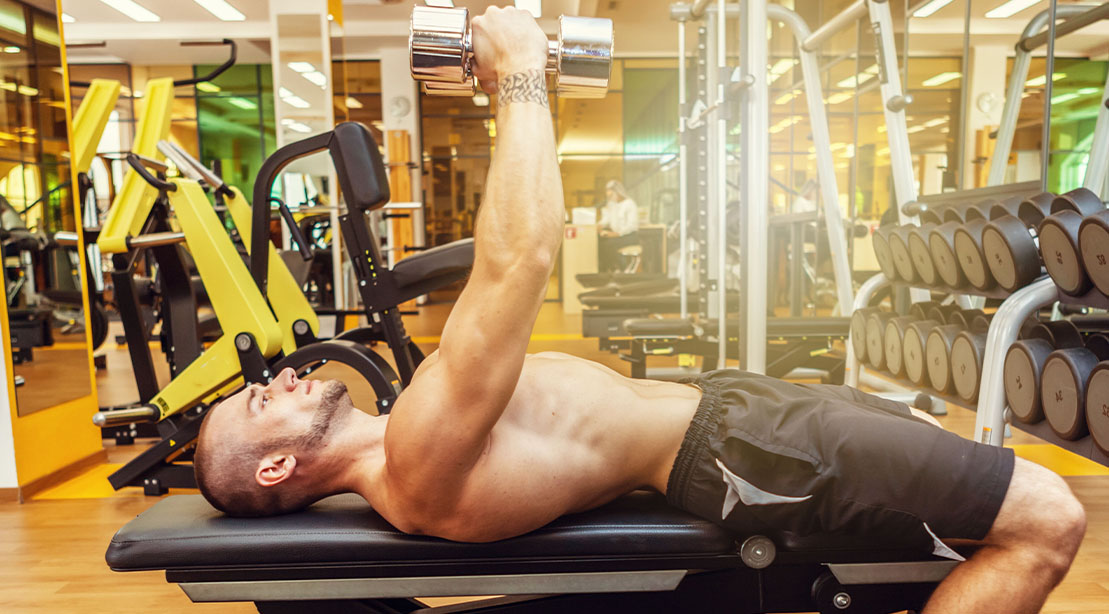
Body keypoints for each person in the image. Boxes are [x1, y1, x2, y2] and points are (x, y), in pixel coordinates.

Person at [193, 8, 1085, 613]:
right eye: (257, 403)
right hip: (746, 448)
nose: (274, 379)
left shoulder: (410, 439)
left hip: (742, 418)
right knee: (1046, 519)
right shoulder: (418, 452)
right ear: (275, 469)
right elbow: (521, 255)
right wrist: (517, 79)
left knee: (952, 532)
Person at [597, 179, 639, 272]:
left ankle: (620, 268)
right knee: (598, 242)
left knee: (609, 245)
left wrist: (616, 234)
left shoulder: (630, 204)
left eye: (611, 194)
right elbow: (607, 219)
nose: (610, 197)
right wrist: (600, 225)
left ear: (618, 192)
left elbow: (631, 225)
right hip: (616, 235)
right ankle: (606, 269)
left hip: (629, 236)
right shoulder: (612, 204)